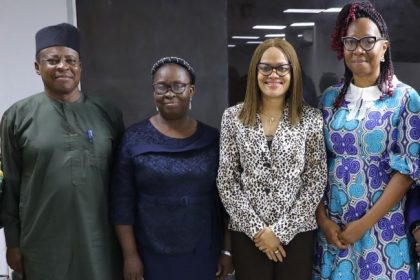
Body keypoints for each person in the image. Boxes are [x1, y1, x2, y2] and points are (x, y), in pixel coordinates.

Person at [0, 23, 124, 279]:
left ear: (80, 66)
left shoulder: (107, 113)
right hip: (41, 243)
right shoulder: (16, 116)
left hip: (99, 241)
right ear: (37, 66)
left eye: (70, 60)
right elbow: (11, 185)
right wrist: (12, 242)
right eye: (52, 60)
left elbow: (122, 183)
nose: (63, 67)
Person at [313, 1, 420, 279]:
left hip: (384, 231)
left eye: (368, 41)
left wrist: (363, 225)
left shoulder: (406, 99)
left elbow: (407, 171)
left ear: (384, 47)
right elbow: (314, 165)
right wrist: (323, 221)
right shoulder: (328, 99)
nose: (358, 49)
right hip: (334, 232)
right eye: (350, 42)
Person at [111, 56, 233, 280]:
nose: (170, 93)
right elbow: (122, 203)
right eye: (162, 86)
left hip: (203, 251)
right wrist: (130, 255)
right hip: (150, 254)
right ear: (153, 91)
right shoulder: (133, 138)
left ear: (192, 90)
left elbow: (227, 203)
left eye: (178, 86)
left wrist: (227, 250)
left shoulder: (213, 138)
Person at [217, 38, 327, 280]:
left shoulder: (311, 119)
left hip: (297, 234)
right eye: (265, 67)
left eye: (281, 67)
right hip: (249, 235)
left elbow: (315, 180)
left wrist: (281, 231)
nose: (273, 74)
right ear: (255, 71)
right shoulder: (233, 117)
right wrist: (259, 231)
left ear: (293, 72)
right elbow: (227, 181)